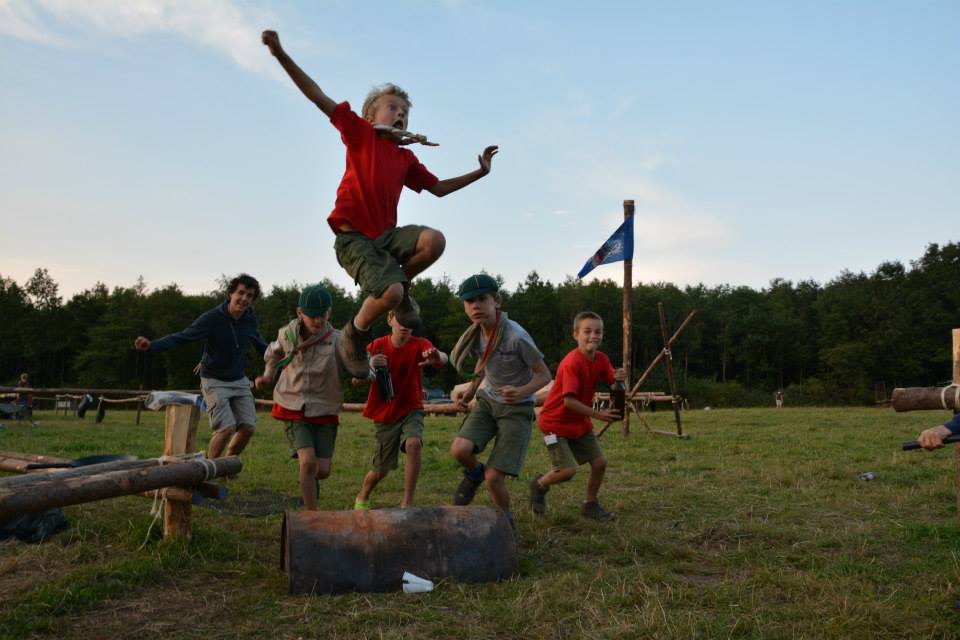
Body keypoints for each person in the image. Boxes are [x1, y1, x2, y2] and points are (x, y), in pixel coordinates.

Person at [261, 30, 498, 371]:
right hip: (353, 238)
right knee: (393, 295)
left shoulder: (405, 159)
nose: (400, 114)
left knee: (434, 241)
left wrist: (481, 172)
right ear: (371, 116)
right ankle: (355, 333)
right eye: (392, 108)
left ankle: (397, 289)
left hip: (386, 238)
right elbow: (317, 95)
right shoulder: (359, 133)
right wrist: (281, 54)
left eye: (405, 111)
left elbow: (439, 189)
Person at [448, 274, 552, 528]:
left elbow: (544, 374)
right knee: (459, 450)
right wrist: (472, 391)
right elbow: (483, 365)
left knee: (494, 477)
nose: (475, 306)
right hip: (488, 402)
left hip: (517, 409)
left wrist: (522, 390)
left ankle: (505, 524)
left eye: (482, 299)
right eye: (469, 301)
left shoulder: (516, 336)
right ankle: (473, 474)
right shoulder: (475, 335)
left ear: (496, 300)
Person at [134, 274, 267, 459]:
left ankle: (229, 463)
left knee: (248, 428)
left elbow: (263, 347)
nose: (244, 299)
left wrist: (285, 357)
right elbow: (182, 337)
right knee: (226, 428)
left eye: (249, 295)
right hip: (214, 380)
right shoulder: (212, 318)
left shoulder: (249, 320)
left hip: (238, 380)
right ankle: (209, 470)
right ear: (230, 294)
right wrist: (151, 345)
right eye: (241, 293)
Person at [255, 284, 358, 511]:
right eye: (312, 317)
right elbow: (272, 354)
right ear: (300, 313)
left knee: (322, 470)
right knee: (308, 461)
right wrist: (267, 376)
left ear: (329, 312)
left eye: (322, 316)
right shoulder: (286, 335)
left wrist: (364, 375)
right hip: (293, 404)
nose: (317, 321)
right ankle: (312, 516)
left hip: (325, 408)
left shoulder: (338, 340)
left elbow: (356, 363)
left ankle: (309, 479)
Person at [528, 312, 625, 521]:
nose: (593, 336)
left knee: (600, 463)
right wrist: (599, 414)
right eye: (587, 331)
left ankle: (590, 504)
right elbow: (568, 402)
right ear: (576, 335)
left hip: (579, 423)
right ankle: (539, 485)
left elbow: (613, 383)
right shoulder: (571, 363)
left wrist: (618, 378)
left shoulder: (601, 359)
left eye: (597, 332)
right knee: (566, 471)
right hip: (553, 424)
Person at [352, 310, 448, 510]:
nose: (404, 324)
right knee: (380, 470)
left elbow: (443, 359)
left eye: (409, 321)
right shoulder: (376, 346)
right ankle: (364, 494)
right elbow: (355, 380)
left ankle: (407, 503)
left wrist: (436, 356)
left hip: (411, 408)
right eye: (401, 319)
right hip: (385, 416)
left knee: (413, 444)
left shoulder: (420, 344)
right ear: (389, 319)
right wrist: (370, 370)